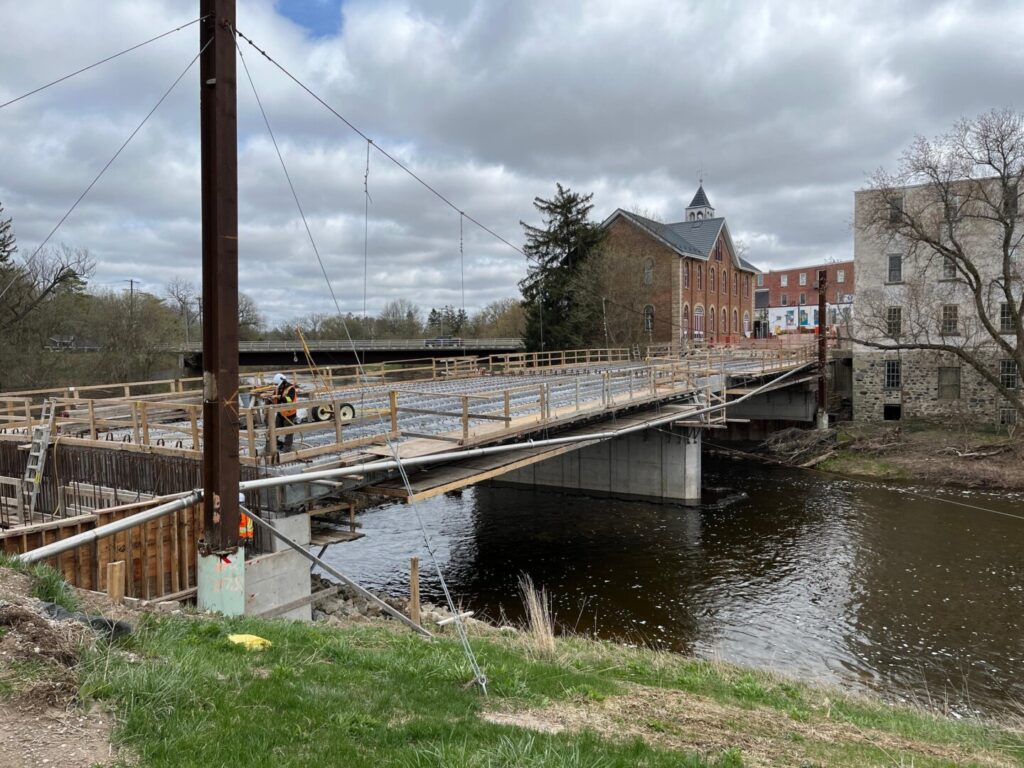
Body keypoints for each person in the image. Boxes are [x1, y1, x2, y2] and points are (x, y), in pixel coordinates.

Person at [269, 373, 298, 452]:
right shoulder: (279, 387)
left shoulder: (291, 388)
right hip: (280, 413)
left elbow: (290, 400)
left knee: (288, 432)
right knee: (274, 429)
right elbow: (275, 400)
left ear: (282, 382)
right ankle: (273, 445)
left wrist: (279, 397)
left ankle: (287, 448)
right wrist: (270, 398)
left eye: (277, 384)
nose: (276, 386)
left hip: (289, 414)